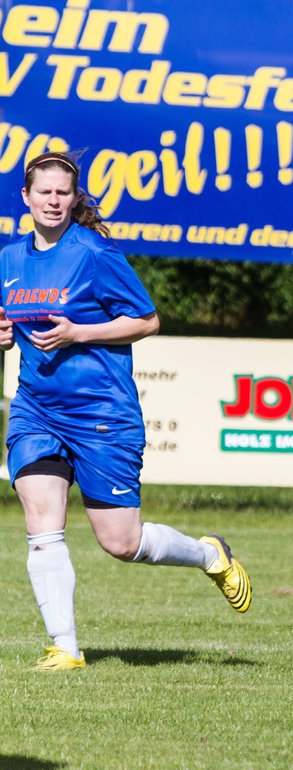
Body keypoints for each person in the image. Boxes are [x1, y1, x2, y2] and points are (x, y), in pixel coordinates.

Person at [0, 150, 252, 672]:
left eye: (62, 193)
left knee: (121, 542)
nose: (52, 200)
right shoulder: (9, 260)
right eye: (43, 191)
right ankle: (65, 648)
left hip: (101, 412)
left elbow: (147, 320)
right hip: (37, 409)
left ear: (74, 200)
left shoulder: (92, 252)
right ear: (25, 198)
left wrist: (81, 332)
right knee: (41, 518)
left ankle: (209, 555)